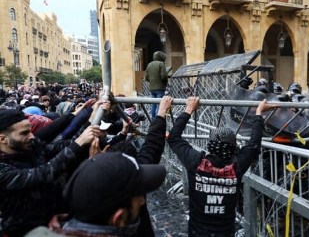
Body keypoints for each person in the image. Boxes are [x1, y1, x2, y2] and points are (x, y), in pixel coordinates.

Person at [37, 96, 174, 237]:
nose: (142, 200)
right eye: (138, 196)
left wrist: (94, 162)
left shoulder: (81, 188)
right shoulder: (126, 186)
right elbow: (152, 147)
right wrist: (161, 111)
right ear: (119, 218)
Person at [168, 96, 272, 236]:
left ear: (210, 145)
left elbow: (173, 138)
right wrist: (259, 113)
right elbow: (254, 145)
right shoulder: (236, 166)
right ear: (233, 148)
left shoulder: (196, 162)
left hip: (197, 233)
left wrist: (189, 109)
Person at [0, 109, 99, 236]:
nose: (31, 136)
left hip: (54, 223)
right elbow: (42, 174)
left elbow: (60, 148)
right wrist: (79, 142)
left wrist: (89, 125)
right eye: (24, 133)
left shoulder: (32, 146)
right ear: (3, 139)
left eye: (30, 130)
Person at [144, 51, 168, 119]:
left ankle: (153, 119)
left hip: (152, 88)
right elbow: (164, 76)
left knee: (153, 104)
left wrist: (152, 81)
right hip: (160, 88)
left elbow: (146, 77)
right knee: (160, 104)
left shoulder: (149, 64)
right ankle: (158, 119)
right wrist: (165, 83)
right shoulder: (161, 64)